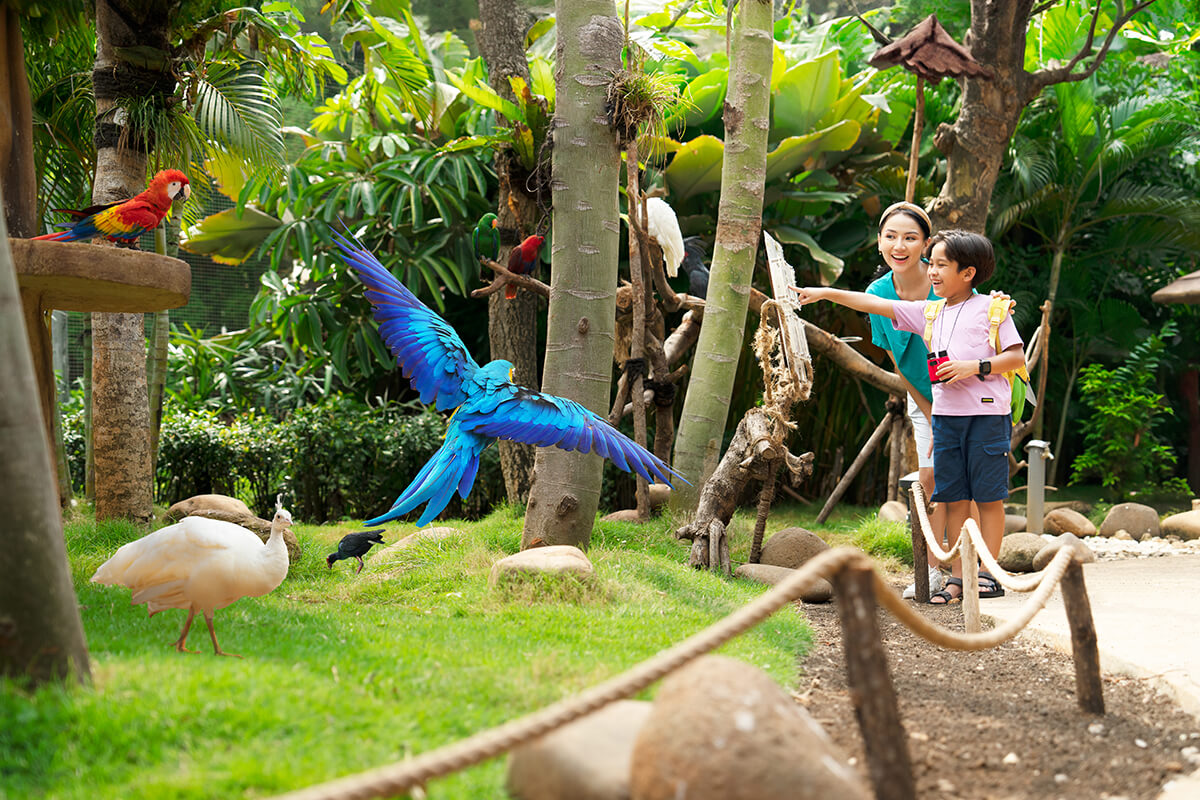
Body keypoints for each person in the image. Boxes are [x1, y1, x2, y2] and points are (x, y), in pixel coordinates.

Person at [791, 230, 1024, 603]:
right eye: (932, 264)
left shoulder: (992, 309)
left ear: (968, 273)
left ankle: (988, 575)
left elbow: (1015, 357)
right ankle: (959, 578)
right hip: (945, 421)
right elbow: (874, 304)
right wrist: (825, 293)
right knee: (955, 499)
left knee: (988, 498)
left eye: (941, 265)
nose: (932, 271)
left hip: (986, 417)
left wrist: (973, 367)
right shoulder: (929, 312)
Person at [866, 201, 946, 599]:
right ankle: (932, 571)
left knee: (964, 479)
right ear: (880, 241)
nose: (900, 246)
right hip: (922, 396)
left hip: (965, 393)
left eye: (910, 238)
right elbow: (899, 362)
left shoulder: (944, 280)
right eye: (891, 237)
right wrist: (930, 413)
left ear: (926, 244)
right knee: (928, 478)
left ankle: (975, 571)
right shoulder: (877, 294)